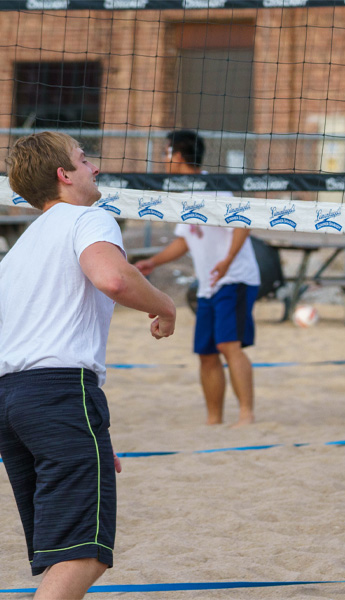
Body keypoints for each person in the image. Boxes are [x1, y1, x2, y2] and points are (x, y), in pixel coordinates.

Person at [0, 132, 176, 598]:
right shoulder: (88, 217)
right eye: (83, 160)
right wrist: (166, 307)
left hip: (13, 402)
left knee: (66, 549)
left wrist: (86, 433)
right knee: (82, 552)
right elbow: (114, 278)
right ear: (64, 175)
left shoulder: (18, 251)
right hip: (57, 395)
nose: (94, 167)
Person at [136, 130, 261, 426]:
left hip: (234, 278)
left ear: (177, 156)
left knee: (228, 345)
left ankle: (246, 415)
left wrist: (227, 260)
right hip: (208, 285)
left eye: (165, 152)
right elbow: (185, 240)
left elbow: (243, 223)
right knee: (206, 353)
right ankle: (213, 420)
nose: (163, 158)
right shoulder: (185, 193)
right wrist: (152, 262)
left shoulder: (213, 188)